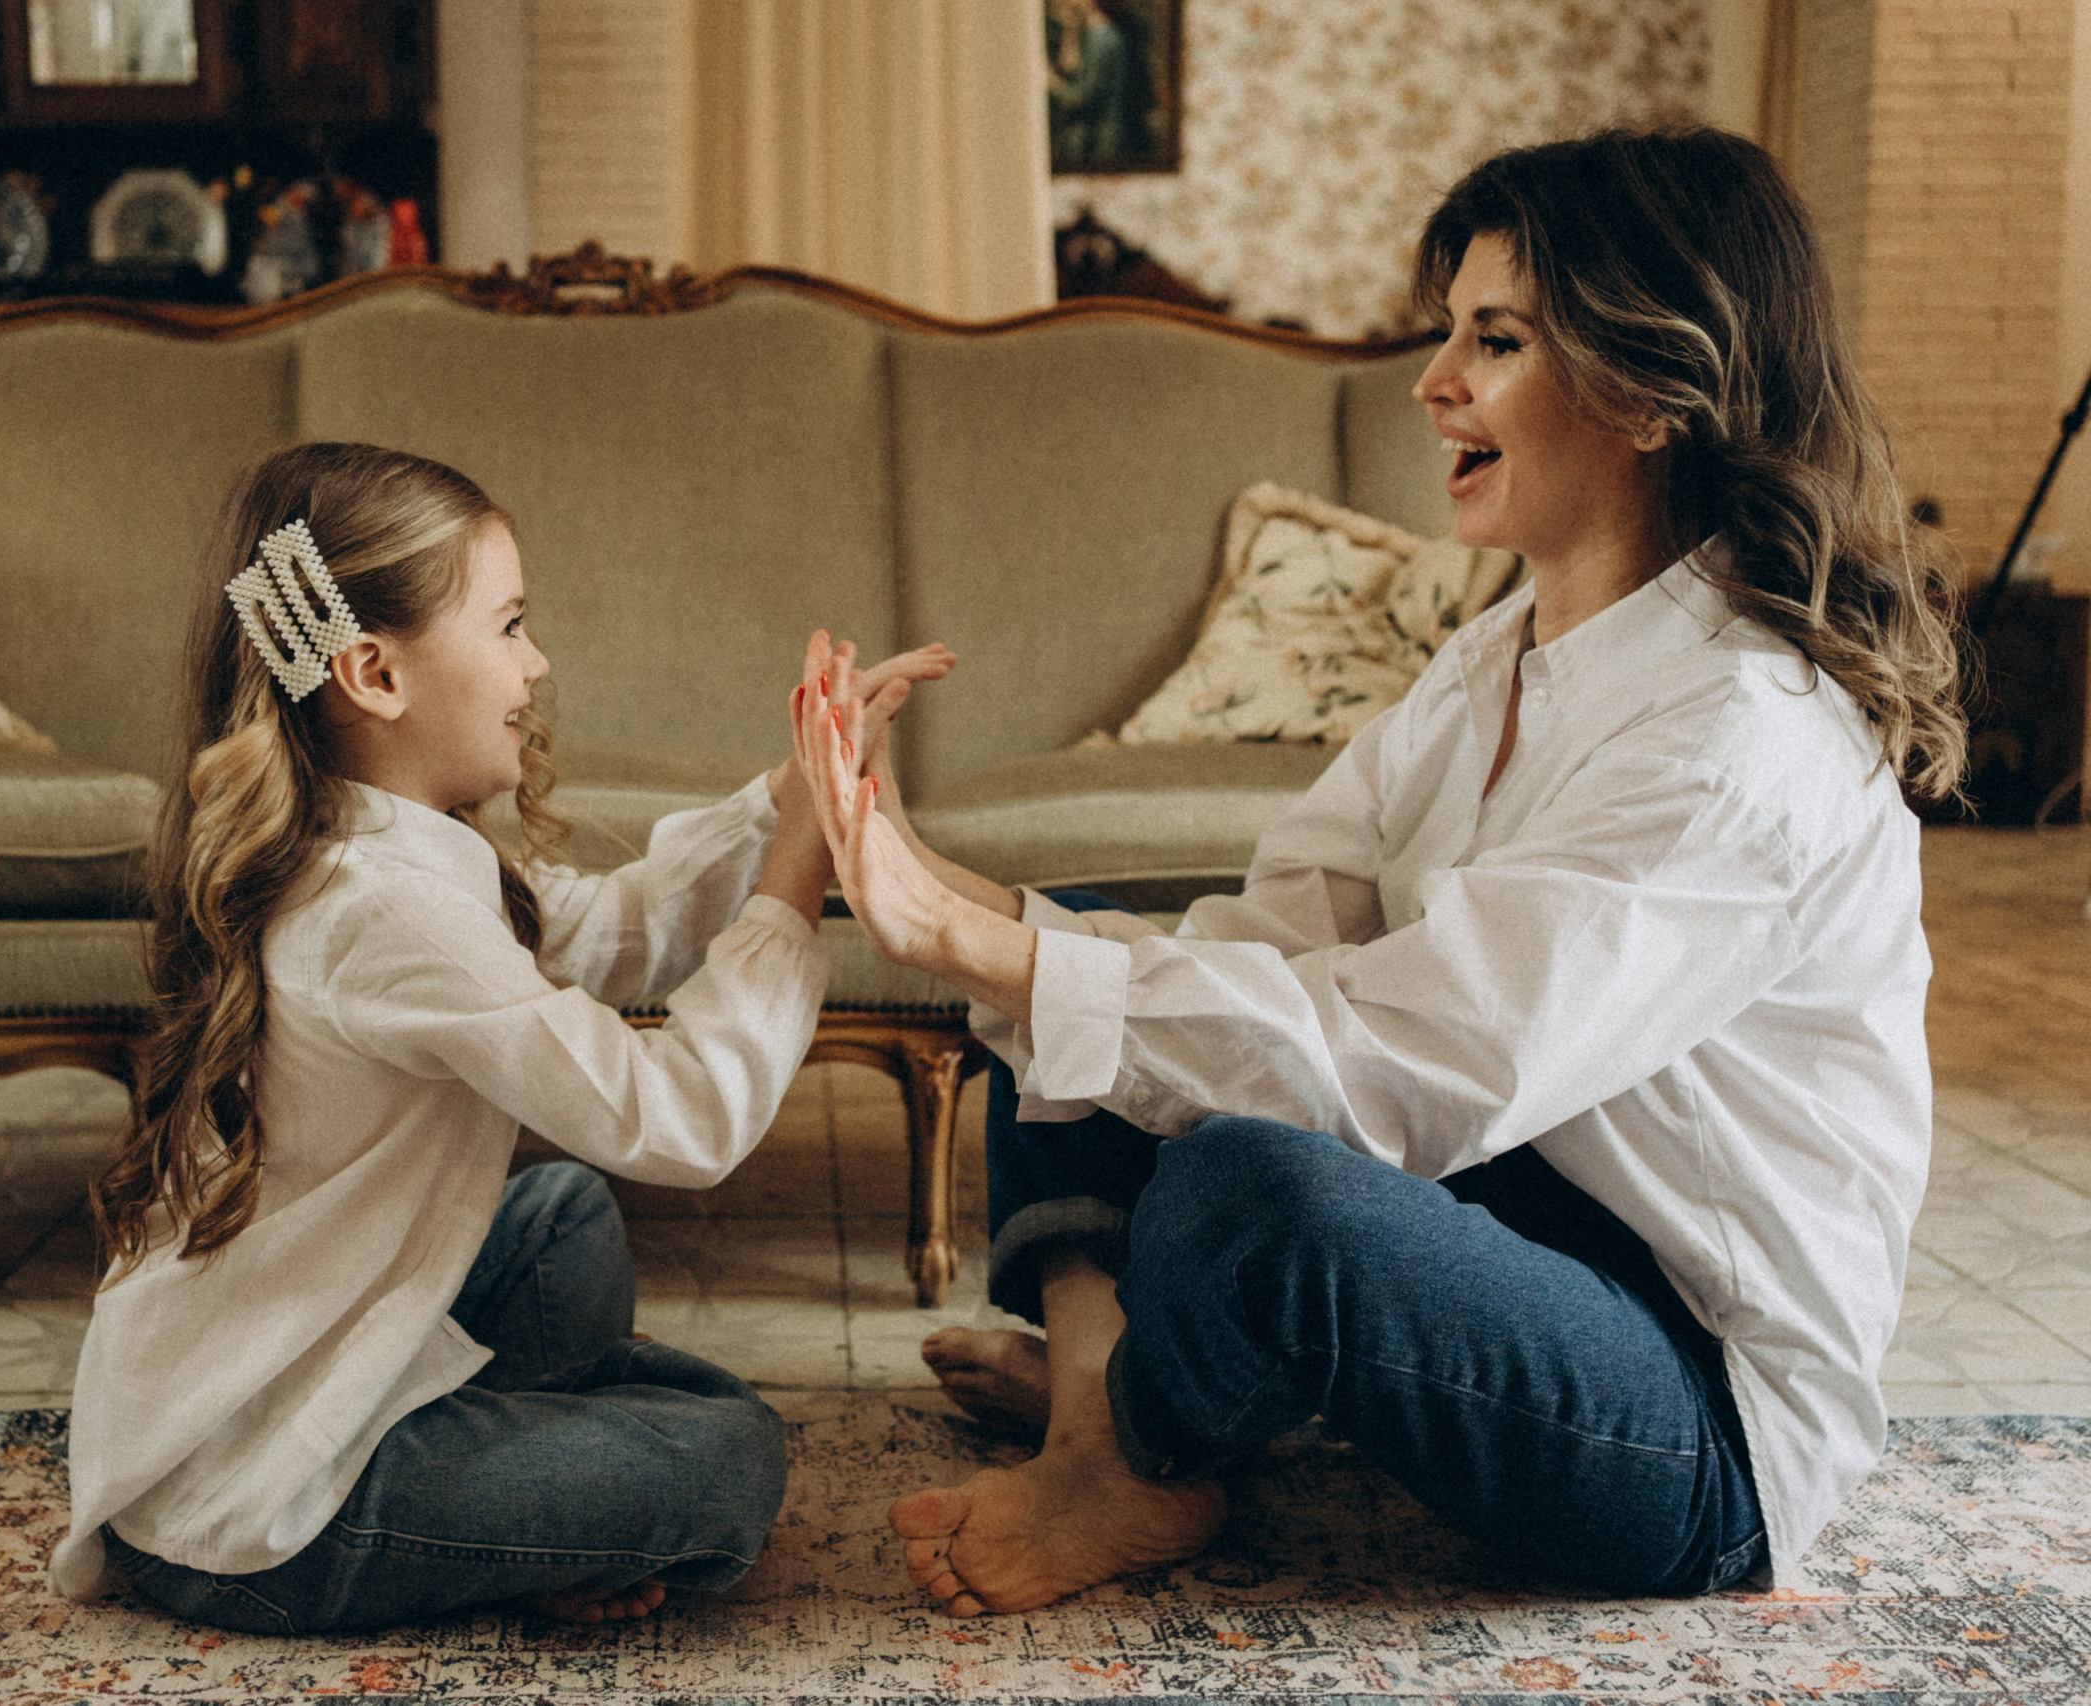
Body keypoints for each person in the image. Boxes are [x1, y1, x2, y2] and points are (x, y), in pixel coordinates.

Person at [790, 127, 1964, 1614]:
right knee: (1089, 962)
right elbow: (1271, 938)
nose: (1433, 382)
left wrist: (972, 941)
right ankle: (1107, 1421)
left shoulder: (1741, 738)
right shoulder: (1492, 661)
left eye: (1496, 341)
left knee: (1253, 1180)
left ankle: (1138, 1423)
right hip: (1515, 1215)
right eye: (1449, 333)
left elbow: (1396, 1072)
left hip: (1698, 1411)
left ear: (1656, 391)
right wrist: (941, 891)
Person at [50, 441, 952, 1632]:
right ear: (374, 672)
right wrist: (799, 867)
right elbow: (681, 1120)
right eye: (510, 624)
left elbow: (614, 929)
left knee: (559, 1216)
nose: (537, 663)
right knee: (729, 1456)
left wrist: (787, 792)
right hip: (261, 1505)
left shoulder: (379, 848)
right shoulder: (381, 910)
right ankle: (538, 1493)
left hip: (291, 1357)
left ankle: (532, 1485)